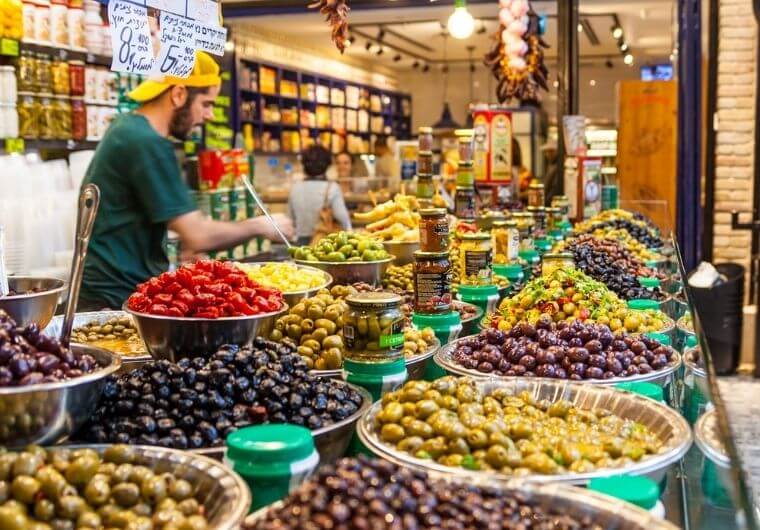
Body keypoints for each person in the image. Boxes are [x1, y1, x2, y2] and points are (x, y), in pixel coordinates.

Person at [79, 51, 294, 310]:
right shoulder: (147, 142)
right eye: (206, 104)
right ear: (178, 94)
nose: (210, 116)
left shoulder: (129, 128)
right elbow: (198, 235)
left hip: (111, 291)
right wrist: (261, 225)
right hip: (114, 299)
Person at [288, 145, 352, 245]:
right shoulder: (332, 188)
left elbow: (290, 220)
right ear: (327, 165)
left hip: (299, 243)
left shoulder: (295, 188)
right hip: (324, 243)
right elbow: (343, 219)